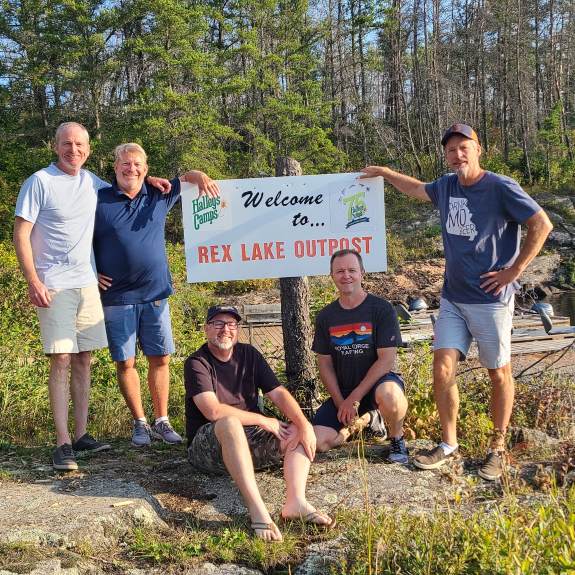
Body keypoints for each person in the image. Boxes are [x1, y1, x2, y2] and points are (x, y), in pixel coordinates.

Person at [361, 123, 553, 480]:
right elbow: (417, 189)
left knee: (498, 372)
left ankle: (497, 448)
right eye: (451, 150)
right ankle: (449, 444)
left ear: (478, 149)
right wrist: (386, 173)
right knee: (442, 368)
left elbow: (541, 223)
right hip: (453, 298)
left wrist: (514, 270)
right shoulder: (447, 186)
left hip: (491, 300)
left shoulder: (500, 187)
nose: (458, 155)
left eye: (464, 148)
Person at [13, 122, 170, 471]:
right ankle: (62, 443)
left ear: (88, 150)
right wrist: (33, 280)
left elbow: (128, 180)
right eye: (67, 144)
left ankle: (82, 435)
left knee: (84, 359)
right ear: (55, 146)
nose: (74, 150)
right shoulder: (40, 182)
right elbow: (21, 233)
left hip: (87, 285)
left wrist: (152, 178)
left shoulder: (91, 183)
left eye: (80, 144)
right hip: (54, 284)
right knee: (62, 359)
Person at [94, 143, 220, 448]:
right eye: (125, 163)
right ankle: (140, 424)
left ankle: (162, 421)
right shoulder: (98, 200)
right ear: (115, 167)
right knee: (125, 363)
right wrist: (89, 270)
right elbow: (78, 236)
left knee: (160, 358)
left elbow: (186, 178)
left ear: (146, 169)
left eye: (137, 164)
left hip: (155, 296)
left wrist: (200, 174)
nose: (131, 169)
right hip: (117, 298)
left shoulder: (159, 193)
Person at [184, 305, 334, 542]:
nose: (225, 330)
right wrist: (264, 420)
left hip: (250, 441)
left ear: (238, 329)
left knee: (296, 430)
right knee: (230, 422)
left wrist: (303, 424)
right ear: (206, 329)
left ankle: (295, 502)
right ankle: (257, 511)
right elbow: (212, 410)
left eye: (231, 324)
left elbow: (278, 393)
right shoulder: (197, 362)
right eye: (218, 324)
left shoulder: (249, 354)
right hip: (209, 447)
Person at [312, 249, 409, 463]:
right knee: (317, 442)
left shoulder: (381, 309)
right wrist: (341, 403)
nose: (346, 275)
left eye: (351, 270)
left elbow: (386, 360)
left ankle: (396, 438)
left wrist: (353, 399)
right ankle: (364, 422)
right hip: (344, 392)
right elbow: (325, 364)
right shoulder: (326, 316)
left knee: (392, 397)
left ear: (362, 273)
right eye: (339, 271)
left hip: (378, 385)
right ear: (332, 276)